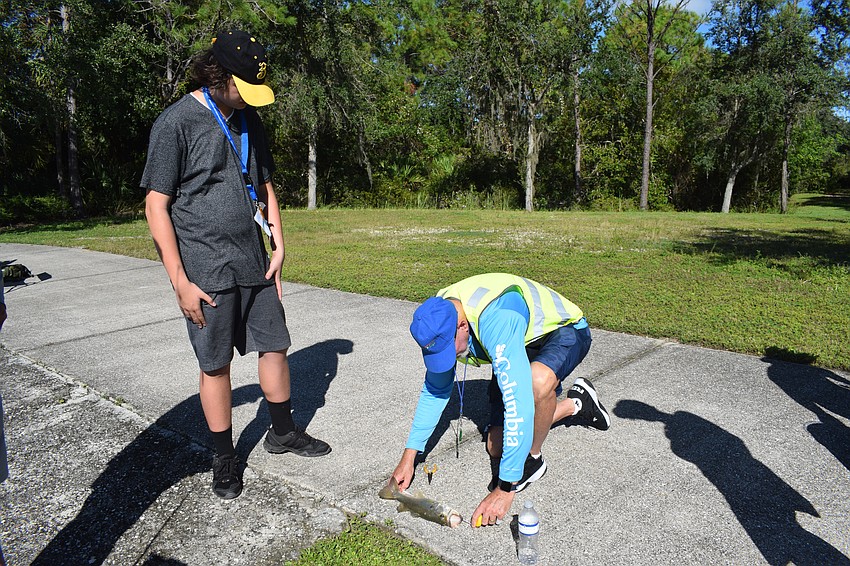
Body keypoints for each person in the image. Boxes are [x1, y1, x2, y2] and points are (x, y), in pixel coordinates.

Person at [142, 30, 330, 500]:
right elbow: (155, 205)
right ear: (218, 75)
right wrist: (180, 281)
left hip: (255, 262)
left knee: (276, 346)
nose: (249, 100)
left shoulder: (248, 120)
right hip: (206, 271)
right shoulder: (176, 123)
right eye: (242, 88)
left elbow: (264, 185)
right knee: (216, 365)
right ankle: (224, 458)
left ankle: (282, 432)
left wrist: (280, 246)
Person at [390, 273, 610, 528]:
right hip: (517, 341)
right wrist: (409, 457)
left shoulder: (498, 318)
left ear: (462, 326)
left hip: (563, 330)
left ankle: (534, 459)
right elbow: (435, 391)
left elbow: (518, 403)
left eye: (449, 349)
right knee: (496, 447)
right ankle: (576, 404)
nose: (449, 357)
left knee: (536, 384)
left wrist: (506, 487)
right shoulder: (438, 316)